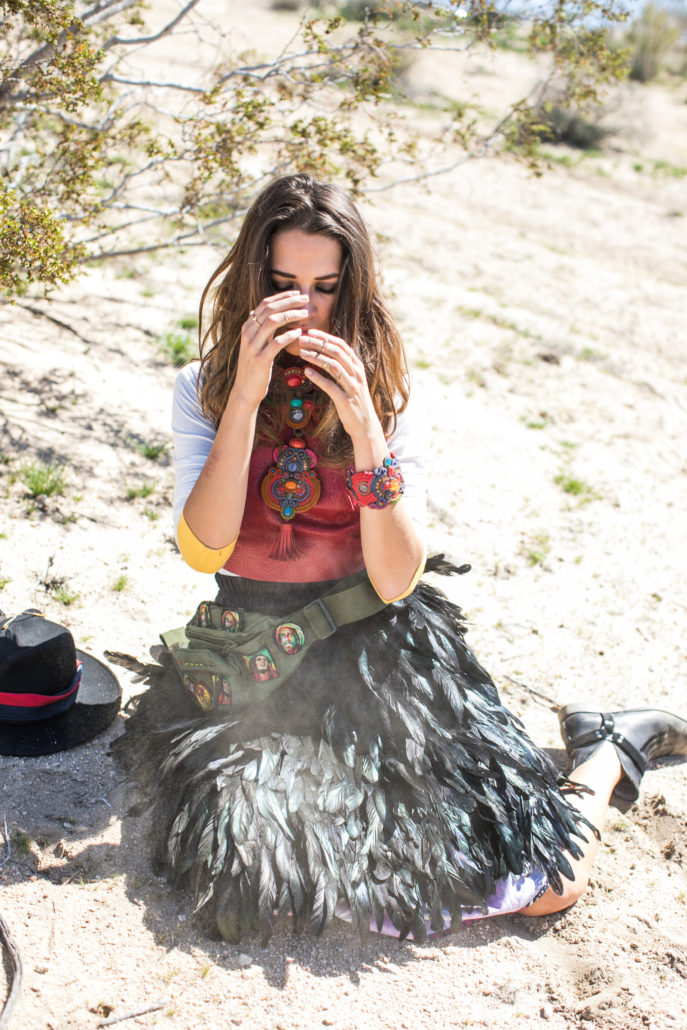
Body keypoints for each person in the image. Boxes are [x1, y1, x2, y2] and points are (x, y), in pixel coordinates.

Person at [119, 173, 687, 943]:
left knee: (536, 883)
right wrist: (245, 400)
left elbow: (394, 577)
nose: (305, 308)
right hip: (256, 659)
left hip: (377, 651)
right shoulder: (203, 388)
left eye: (324, 287)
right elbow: (203, 547)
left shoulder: (387, 392)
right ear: (254, 280)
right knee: (271, 881)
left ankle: (610, 752)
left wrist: (364, 427)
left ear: (351, 288)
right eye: (283, 285)